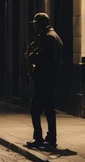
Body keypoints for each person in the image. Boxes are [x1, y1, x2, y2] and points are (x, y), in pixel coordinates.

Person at [25, 11, 63, 149]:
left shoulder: (48, 37)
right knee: (48, 109)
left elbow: (46, 59)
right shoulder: (51, 36)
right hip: (49, 78)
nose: (35, 27)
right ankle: (50, 137)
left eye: (36, 24)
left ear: (41, 23)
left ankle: (40, 138)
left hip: (45, 79)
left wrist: (32, 57)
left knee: (35, 109)